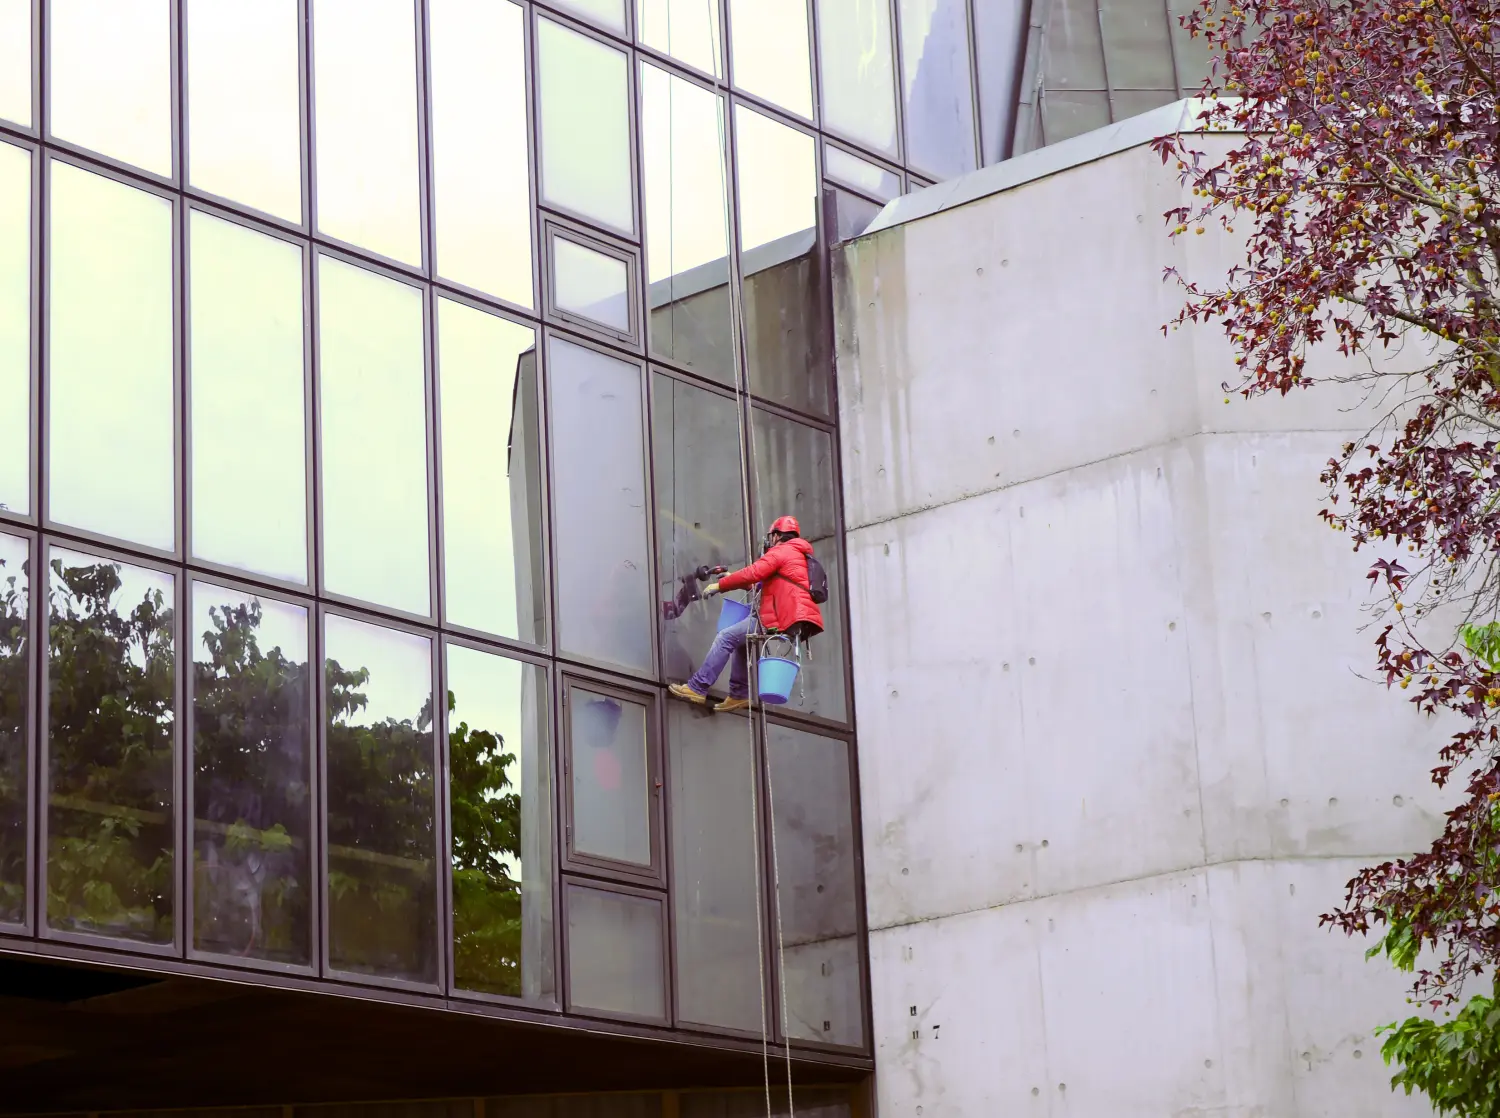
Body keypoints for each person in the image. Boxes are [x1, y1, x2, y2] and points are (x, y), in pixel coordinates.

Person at [669, 516, 824, 713]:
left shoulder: (782, 551)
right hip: (786, 614)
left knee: (725, 637)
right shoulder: (797, 555)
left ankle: (697, 687)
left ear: (777, 536)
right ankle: (739, 694)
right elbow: (764, 585)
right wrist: (733, 579)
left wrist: (720, 585)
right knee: (740, 640)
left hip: (778, 615)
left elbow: (754, 572)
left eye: (772, 536)